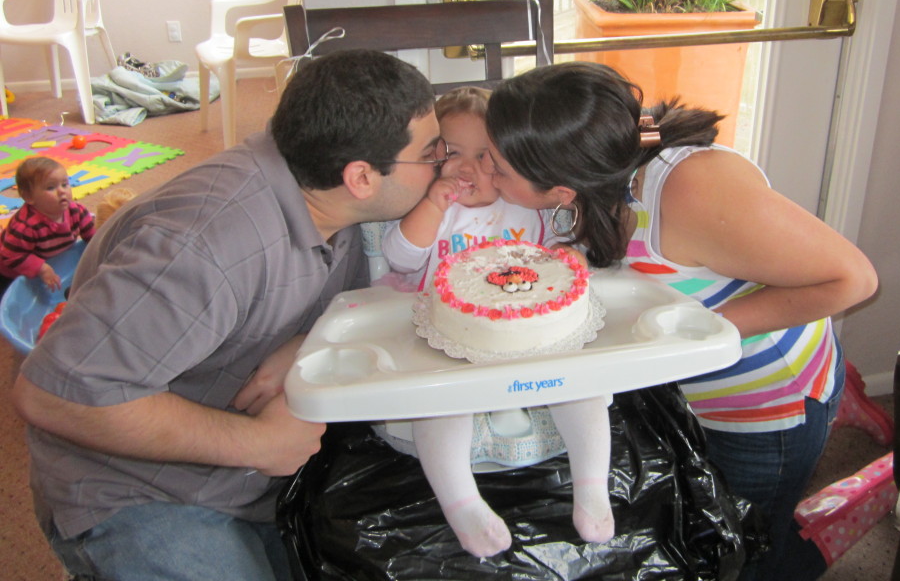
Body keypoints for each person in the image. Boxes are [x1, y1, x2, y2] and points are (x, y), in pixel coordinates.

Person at [11, 49, 441, 581]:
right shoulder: (202, 246)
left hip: (251, 474)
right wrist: (260, 443)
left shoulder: (324, 188)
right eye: (431, 153)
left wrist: (309, 341)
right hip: (139, 491)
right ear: (362, 177)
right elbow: (54, 395)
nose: (442, 163)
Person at [483, 62, 878, 581]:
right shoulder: (595, 168)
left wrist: (694, 332)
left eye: (496, 168)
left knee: (748, 552)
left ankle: (859, 502)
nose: (485, 172)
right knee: (697, 521)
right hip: (693, 397)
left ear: (561, 188)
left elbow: (853, 280)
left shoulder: (689, 188)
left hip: (765, 409)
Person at [381, 87, 614, 558]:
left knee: (584, 386)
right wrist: (433, 205)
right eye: (452, 153)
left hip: (529, 337)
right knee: (437, 405)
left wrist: (570, 255)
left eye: (485, 157)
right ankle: (463, 505)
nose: (467, 169)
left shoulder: (527, 208)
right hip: (451, 341)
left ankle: (592, 488)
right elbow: (400, 258)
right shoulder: (436, 211)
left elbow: (566, 252)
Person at [0, 156, 96, 295]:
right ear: (29, 197)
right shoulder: (25, 227)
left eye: (64, 184)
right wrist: (41, 268)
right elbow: (11, 256)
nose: (62, 191)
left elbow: (93, 237)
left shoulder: (77, 211)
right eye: (51, 187)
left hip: (52, 259)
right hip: (11, 272)